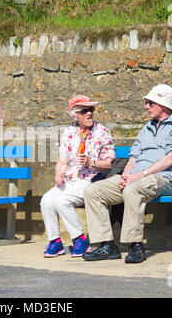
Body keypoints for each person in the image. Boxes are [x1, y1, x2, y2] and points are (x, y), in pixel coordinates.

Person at [82, 84, 172, 263]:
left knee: (132, 189)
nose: (146, 106)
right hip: (136, 178)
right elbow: (133, 157)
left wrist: (139, 176)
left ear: (163, 105)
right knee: (92, 191)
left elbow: (170, 160)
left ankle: (135, 245)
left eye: (151, 103)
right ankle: (107, 245)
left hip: (163, 179)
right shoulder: (147, 128)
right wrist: (126, 176)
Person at [40, 95, 115, 258]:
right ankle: (55, 242)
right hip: (70, 180)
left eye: (91, 110)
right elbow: (62, 159)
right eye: (84, 111)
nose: (89, 113)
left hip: (92, 180)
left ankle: (80, 240)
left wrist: (91, 162)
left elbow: (110, 163)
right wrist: (58, 173)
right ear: (75, 115)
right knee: (46, 200)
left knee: (62, 201)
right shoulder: (69, 132)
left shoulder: (102, 132)